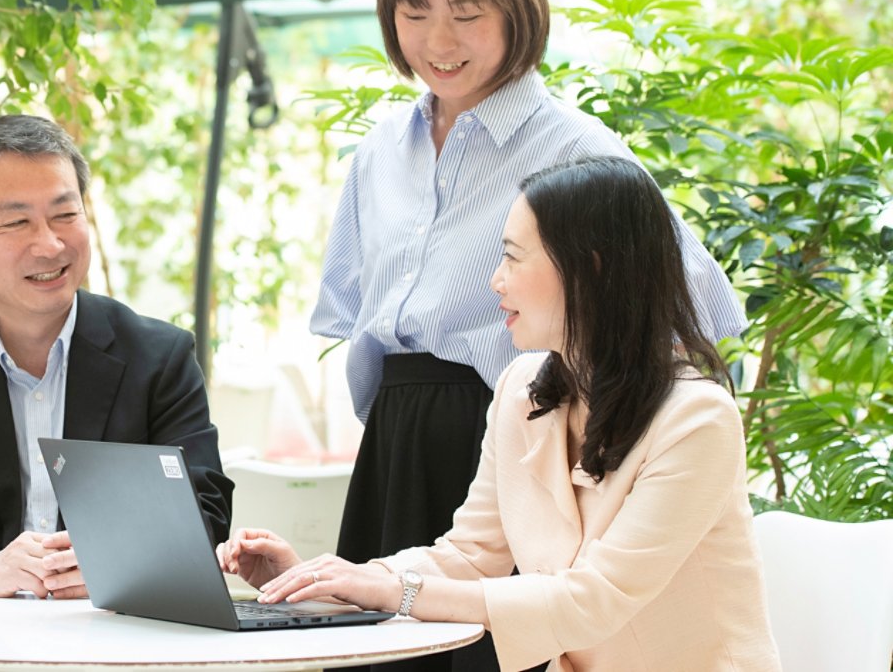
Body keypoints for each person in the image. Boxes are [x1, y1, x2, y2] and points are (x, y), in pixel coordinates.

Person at [309, 0, 745, 669]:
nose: (438, 41)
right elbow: (362, 315)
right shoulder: (381, 151)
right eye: (413, 13)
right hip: (400, 442)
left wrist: (612, 436)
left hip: (526, 429)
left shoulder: (576, 148)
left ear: (519, 12)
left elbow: (690, 307)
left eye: (468, 14)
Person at [221, 155, 783, 672]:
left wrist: (396, 592)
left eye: (513, 256)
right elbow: (469, 555)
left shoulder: (696, 421)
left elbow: (596, 598)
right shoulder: (523, 392)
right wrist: (322, 583)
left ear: (590, 268)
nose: (496, 279)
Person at [0, 114, 231, 600]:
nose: (50, 244)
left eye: (65, 214)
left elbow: (202, 506)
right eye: (17, 222)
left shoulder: (160, 357)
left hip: (111, 640)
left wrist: (117, 557)